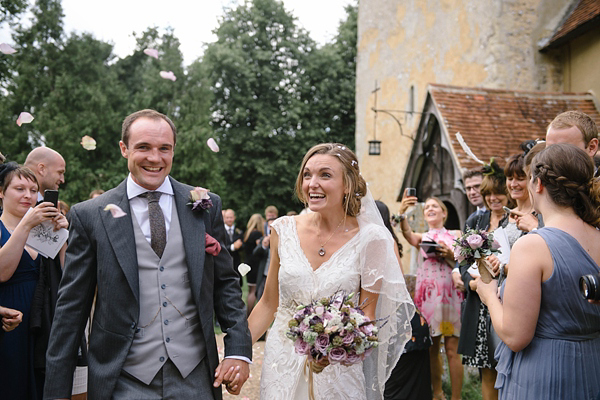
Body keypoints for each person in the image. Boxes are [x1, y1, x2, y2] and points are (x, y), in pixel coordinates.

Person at [44, 109, 252, 399]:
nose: (155, 158)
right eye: (143, 147)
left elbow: (226, 283)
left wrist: (239, 351)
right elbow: (71, 310)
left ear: (173, 151)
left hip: (195, 376)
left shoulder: (204, 204)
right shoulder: (90, 215)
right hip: (123, 378)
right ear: (123, 148)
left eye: (164, 148)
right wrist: (56, 393)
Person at [248, 143, 414, 399]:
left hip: (338, 368)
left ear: (347, 185)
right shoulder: (283, 229)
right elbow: (269, 303)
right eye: (307, 174)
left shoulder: (373, 239)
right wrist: (236, 353)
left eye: (325, 175)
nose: (313, 183)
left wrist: (336, 347)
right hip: (281, 361)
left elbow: (368, 318)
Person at [475, 144, 600, 399]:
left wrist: (488, 295)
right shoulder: (597, 237)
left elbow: (515, 335)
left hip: (544, 375)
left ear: (538, 184)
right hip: (592, 367)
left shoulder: (532, 245)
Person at [0, 162, 68, 399]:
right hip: (8, 319)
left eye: (32, 190)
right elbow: (2, 272)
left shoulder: (42, 229)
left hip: (42, 319)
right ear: (1, 192)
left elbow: (67, 274)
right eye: (19, 189)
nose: (28, 196)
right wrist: (26, 224)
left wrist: (62, 235)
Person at [398, 193, 464, 400]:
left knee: (453, 349)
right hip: (428, 299)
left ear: (443, 213)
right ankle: (437, 393)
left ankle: (456, 397)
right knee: (432, 348)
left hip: (451, 296)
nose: (430, 209)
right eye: (427, 208)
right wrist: (402, 215)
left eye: (435, 206)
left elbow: (466, 259)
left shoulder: (456, 234)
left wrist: (450, 254)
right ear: (425, 215)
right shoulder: (422, 237)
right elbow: (407, 234)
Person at [457, 162, 511, 400]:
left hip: (508, 300)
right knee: (486, 369)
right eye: (487, 193)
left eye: (497, 192)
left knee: (507, 369)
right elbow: (463, 260)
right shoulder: (475, 222)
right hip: (479, 304)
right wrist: (469, 282)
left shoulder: (514, 222)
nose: (492, 198)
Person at [377, 200, 431, 400]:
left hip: (401, 325)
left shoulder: (384, 241)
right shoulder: (386, 239)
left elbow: (395, 284)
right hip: (404, 322)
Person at [452, 168, 485, 291]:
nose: (472, 192)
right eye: (468, 188)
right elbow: (463, 251)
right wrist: (456, 271)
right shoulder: (470, 219)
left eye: (477, 186)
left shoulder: (498, 214)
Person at [242, 213, 265, 314]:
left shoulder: (247, 233)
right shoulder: (257, 235)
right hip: (256, 265)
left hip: (248, 264)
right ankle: (250, 314)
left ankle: (248, 313)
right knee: (254, 291)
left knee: (250, 290)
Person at [223, 209, 244, 283]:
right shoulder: (220, 232)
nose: (229, 219)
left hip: (236, 262)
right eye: (227, 217)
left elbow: (243, 246)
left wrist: (240, 246)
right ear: (224, 218)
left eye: (231, 217)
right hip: (224, 263)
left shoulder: (239, 231)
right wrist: (232, 247)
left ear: (234, 218)